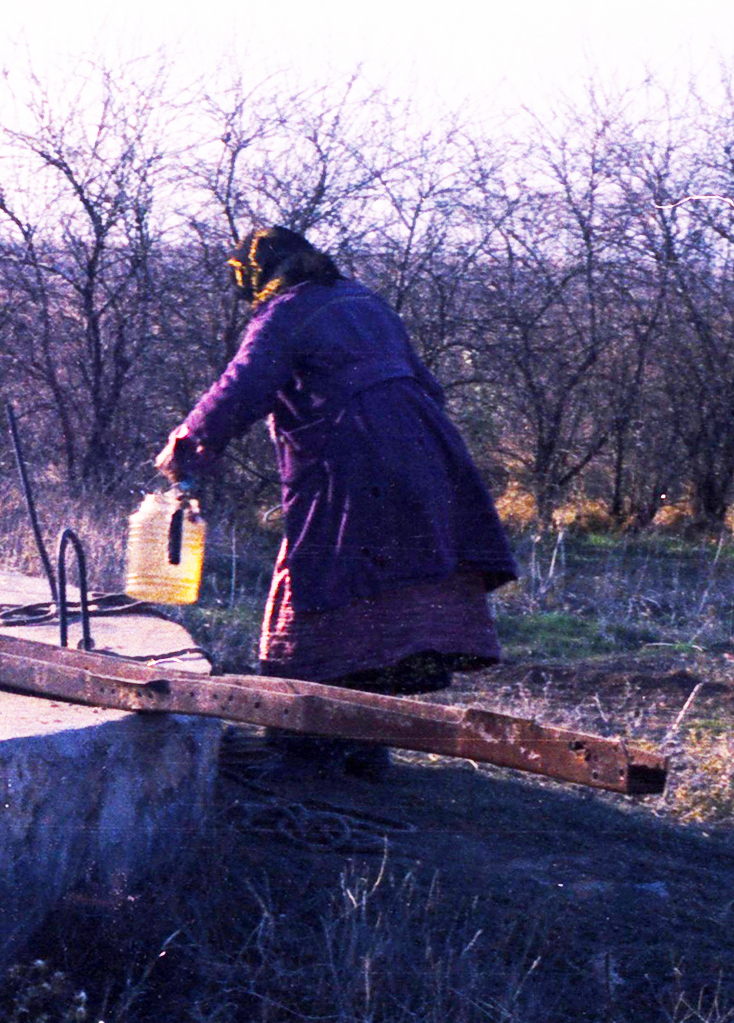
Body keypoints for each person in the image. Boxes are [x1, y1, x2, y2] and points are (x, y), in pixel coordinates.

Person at [155, 226, 516, 775]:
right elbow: (426, 382)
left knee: (319, 583)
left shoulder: (283, 314)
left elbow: (241, 386)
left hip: (350, 459)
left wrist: (187, 444)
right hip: (424, 446)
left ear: (262, 275)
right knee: (392, 584)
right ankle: (365, 746)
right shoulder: (365, 301)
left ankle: (304, 746)